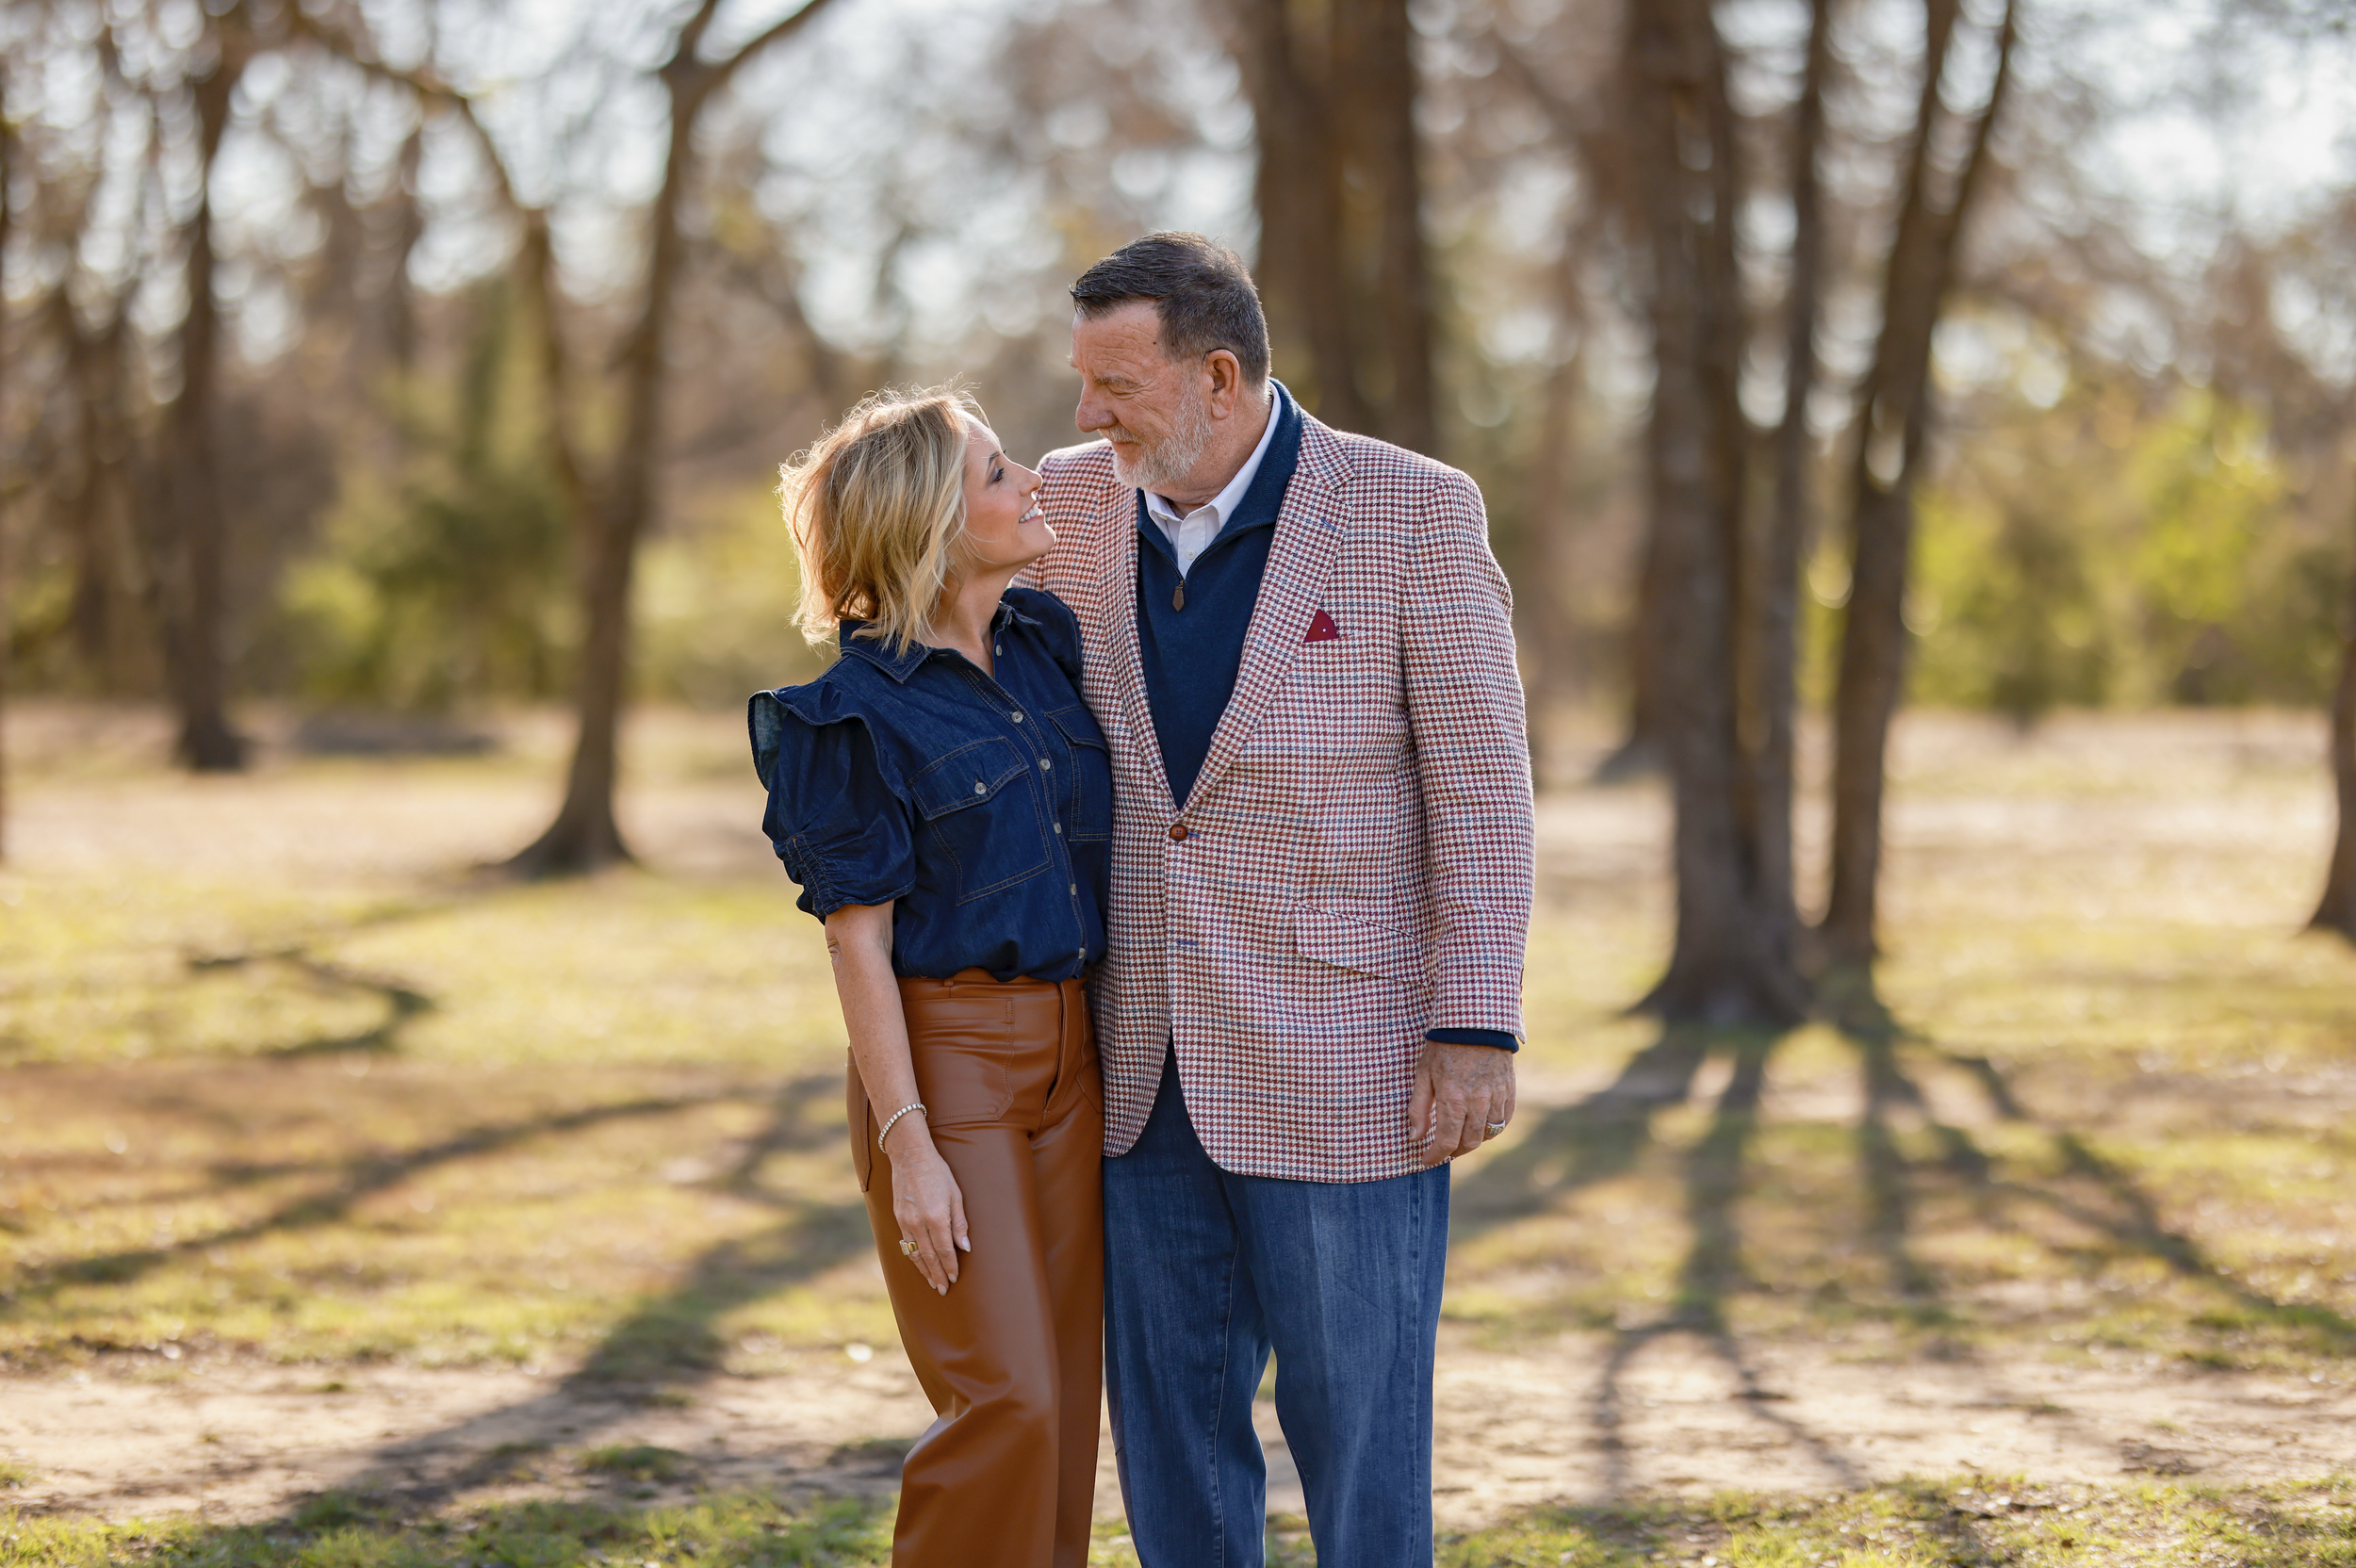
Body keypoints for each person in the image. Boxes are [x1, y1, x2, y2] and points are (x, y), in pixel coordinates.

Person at [1023, 233, 1536, 1568]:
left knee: (1361, 1439)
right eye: (1081, 383)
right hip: (1135, 1064)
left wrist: (1475, 1024)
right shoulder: (1066, 509)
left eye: (1114, 384)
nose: (1086, 416)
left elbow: (1483, 790)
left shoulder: (1413, 510)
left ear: (1219, 374)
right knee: (1172, 1446)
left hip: (1353, 1065)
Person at [749, 387, 1110, 1568]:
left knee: (1062, 1402)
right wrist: (909, 1147)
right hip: (948, 1069)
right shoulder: (846, 717)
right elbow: (856, 941)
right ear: (932, 526)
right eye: (1000, 473)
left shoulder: (1044, 646)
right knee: (1006, 1400)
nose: (1031, 484)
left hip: (1075, 1056)